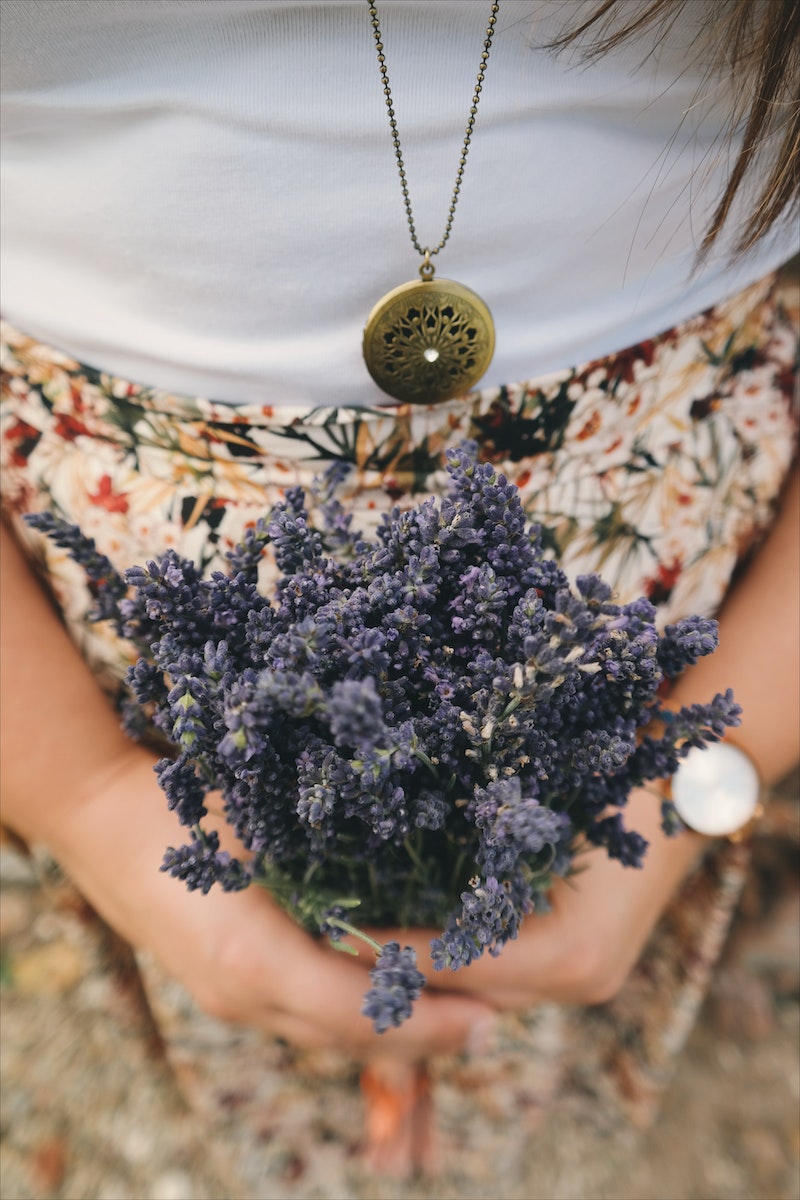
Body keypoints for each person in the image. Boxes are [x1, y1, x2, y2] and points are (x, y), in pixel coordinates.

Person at [1, 0, 798, 1136]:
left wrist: (722, 757)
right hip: (125, 606)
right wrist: (80, 796)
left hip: (658, 557)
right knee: (268, 979)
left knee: (551, 982)